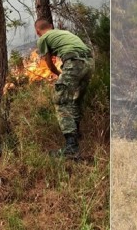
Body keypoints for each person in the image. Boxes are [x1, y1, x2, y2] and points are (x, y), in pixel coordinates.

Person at [35, 18, 94, 158]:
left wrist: (59, 74)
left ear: (38, 31)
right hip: (90, 63)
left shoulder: (43, 38)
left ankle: (71, 148)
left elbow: (48, 64)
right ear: (51, 26)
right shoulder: (64, 33)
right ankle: (77, 134)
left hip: (74, 63)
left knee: (60, 100)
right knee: (75, 100)